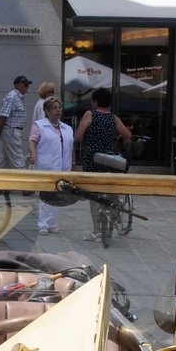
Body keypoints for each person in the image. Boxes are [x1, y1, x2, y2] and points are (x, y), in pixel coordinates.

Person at [75, 89, 131, 240]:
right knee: (109, 187)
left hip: (92, 158)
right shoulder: (114, 118)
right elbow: (128, 135)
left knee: (94, 195)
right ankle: (114, 207)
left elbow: (78, 136)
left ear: (95, 102)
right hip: (109, 158)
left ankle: (97, 231)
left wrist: (88, 140)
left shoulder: (90, 115)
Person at [28, 96, 74, 234]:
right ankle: (43, 224)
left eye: (60, 108)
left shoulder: (67, 128)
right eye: (54, 108)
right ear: (47, 111)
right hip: (46, 165)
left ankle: (52, 223)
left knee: (60, 195)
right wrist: (33, 153)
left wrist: (73, 163)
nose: (58, 111)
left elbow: (71, 148)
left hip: (63, 165)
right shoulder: (39, 125)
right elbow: (32, 141)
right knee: (46, 195)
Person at [0, 75, 31, 168]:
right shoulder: (12, 97)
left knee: (4, 162)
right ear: (18, 85)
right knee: (18, 161)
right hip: (11, 131)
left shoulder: (18, 97)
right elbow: (2, 116)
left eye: (28, 85)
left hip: (12, 131)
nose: (27, 87)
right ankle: (24, 180)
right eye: (25, 85)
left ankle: (0, 179)